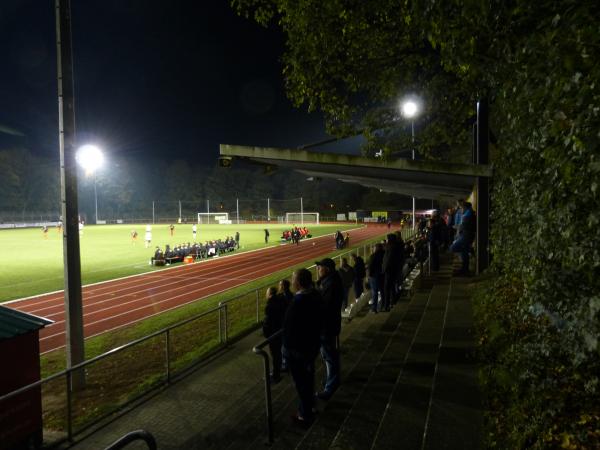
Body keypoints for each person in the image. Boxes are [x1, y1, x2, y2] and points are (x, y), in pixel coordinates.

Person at [282, 268, 322, 426]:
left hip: (298, 350)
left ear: (298, 283)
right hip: (311, 345)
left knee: (302, 383)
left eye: (293, 279)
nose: (291, 282)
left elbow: (289, 328)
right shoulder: (316, 295)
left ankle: (304, 415)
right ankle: (309, 407)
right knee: (308, 379)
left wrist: (286, 349)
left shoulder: (298, 302)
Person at [315, 258, 344, 401]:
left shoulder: (331, 284)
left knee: (329, 356)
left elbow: (324, 307)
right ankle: (331, 380)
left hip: (327, 326)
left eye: (320, 267)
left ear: (326, 269)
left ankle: (330, 387)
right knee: (329, 355)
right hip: (330, 324)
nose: (318, 270)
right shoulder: (331, 281)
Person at [263, 287, 288, 384]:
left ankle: (276, 375)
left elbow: (268, 322)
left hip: (274, 333)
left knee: (275, 355)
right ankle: (280, 369)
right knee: (279, 353)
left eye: (267, 292)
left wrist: (266, 334)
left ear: (269, 294)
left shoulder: (269, 305)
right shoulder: (282, 300)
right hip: (280, 330)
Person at [451, 201, 476, 275]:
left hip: (466, 235)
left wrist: (458, 227)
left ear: (465, 208)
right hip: (466, 235)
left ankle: (469, 250)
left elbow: (465, 226)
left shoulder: (468, 215)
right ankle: (465, 269)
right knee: (463, 251)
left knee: (453, 248)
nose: (460, 210)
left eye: (461, 208)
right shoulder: (468, 214)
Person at [381, 233, 404, 311]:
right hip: (393, 270)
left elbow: (388, 260)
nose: (386, 240)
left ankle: (387, 306)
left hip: (389, 271)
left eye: (387, 239)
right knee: (391, 287)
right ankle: (393, 301)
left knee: (387, 288)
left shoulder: (391, 248)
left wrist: (384, 270)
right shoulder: (394, 247)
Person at [367, 243, 385, 313]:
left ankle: (374, 308)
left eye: (374, 247)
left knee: (374, 292)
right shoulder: (385, 254)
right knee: (382, 291)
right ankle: (383, 305)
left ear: (376, 248)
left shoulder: (373, 256)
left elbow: (370, 267)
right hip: (382, 275)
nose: (373, 249)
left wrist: (369, 276)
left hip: (374, 276)